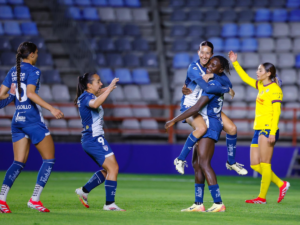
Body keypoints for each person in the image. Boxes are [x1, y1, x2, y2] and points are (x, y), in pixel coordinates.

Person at [0, 42, 64, 213]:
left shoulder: (13, 71)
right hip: (32, 120)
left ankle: (1, 199)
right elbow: (30, 94)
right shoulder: (34, 71)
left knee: (18, 162)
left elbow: (1, 95)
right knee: (49, 160)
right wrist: (52, 108)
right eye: (37, 53)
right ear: (33, 55)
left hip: (17, 120)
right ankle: (34, 199)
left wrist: (12, 94)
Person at [165, 56, 231, 212]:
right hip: (208, 125)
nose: (209, 66)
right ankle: (198, 204)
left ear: (220, 70)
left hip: (211, 126)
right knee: (196, 165)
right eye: (209, 64)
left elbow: (196, 108)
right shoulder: (216, 82)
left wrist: (174, 120)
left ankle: (218, 203)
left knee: (204, 163)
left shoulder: (213, 84)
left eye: (214, 65)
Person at [175, 41, 247, 176]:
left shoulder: (212, 67)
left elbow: (229, 82)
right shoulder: (194, 68)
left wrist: (213, 75)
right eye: (202, 52)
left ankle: (231, 162)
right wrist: (226, 89)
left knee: (232, 129)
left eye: (207, 53)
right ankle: (180, 159)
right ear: (198, 52)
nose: (204, 55)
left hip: (206, 104)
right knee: (201, 130)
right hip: (192, 106)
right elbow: (209, 87)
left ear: (211, 54)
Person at [228, 50, 290, 204]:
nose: (257, 72)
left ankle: (261, 198)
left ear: (268, 73)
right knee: (254, 164)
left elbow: (277, 112)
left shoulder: (275, 90)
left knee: (265, 163)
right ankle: (281, 184)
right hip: (258, 129)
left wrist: (273, 131)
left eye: (260, 70)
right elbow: (245, 78)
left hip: (268, 129)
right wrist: (235, 62)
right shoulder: (261, 85)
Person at [74, 72, 125, 211]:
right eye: (98, 81)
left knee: (108, 169)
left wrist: (109, 87)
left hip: (92, 139)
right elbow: (96, 103)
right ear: (89, 85)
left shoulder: (87, 94)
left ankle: (84, 190)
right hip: (93, 139)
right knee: (113, 168)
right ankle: (109, 204)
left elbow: (99, 93)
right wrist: (109, 89)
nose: (101, 84)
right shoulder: (86, 97)